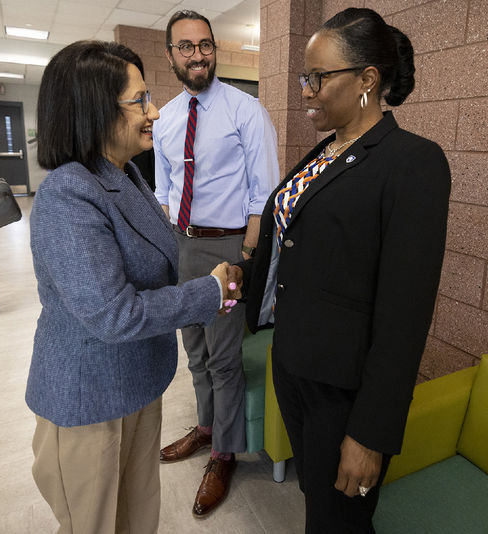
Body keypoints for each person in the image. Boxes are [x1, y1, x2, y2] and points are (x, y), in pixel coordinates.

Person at [229, 8, 451, 533]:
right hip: (296, 364)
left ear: (368, 80)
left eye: (318, 78)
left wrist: (370, 433)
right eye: (306, 77)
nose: (306, 90)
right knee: (319, 501)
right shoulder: (325, 153)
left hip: (344, 390)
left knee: (339, 520)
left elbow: (406, 314)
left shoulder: (412, 163)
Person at [25, 40, 238, 534]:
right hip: (89, 400)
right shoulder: (68, 195)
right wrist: (209, 292)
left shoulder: (124, 175)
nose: (155, 112)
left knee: (137, 516)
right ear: (93, 109)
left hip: (136, 384)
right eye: (139, 100)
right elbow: (113, 314)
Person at [153, 10, 279, 518]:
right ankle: (206, 428)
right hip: (183, 245)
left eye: (205, 44)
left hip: (228, 247)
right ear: (171, 55)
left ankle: (225, 453)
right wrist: (169, 248)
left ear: (214, 50)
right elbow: (165, 190)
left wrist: (246, 255)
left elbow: (262, 191)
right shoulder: (163, 117)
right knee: (196, 350)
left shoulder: (246, 111)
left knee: (225, 357)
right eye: (186, 47)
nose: (198, 54)